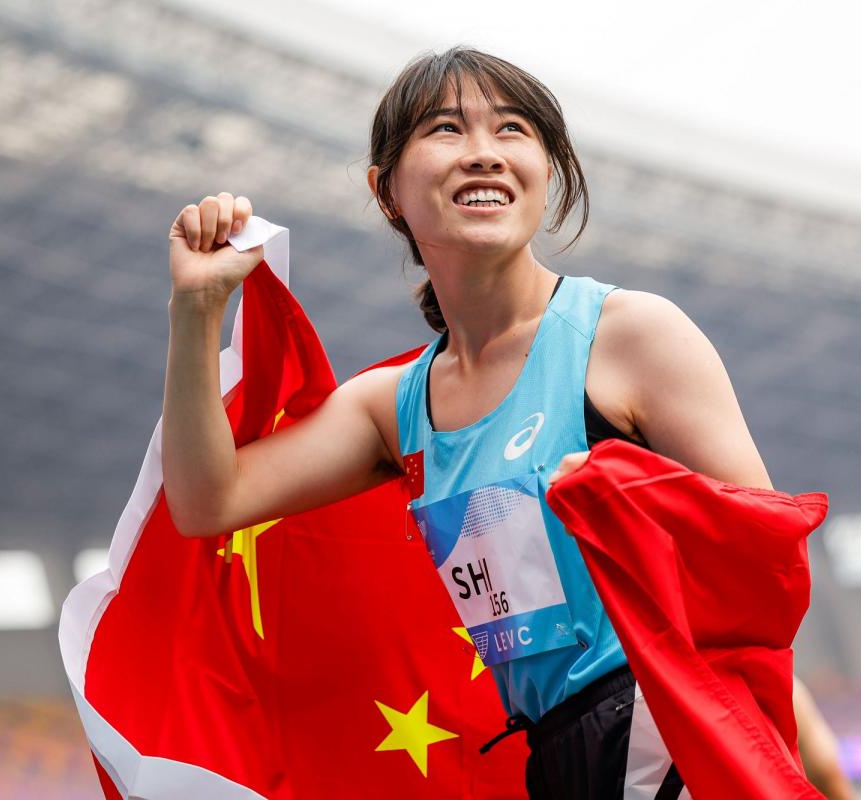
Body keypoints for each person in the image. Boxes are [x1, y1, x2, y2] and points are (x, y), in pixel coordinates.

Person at [162, 46, 775, 799]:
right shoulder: (393, 407)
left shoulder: (631, 335)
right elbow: (205, 503)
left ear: (548, 172)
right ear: (385, 190)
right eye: (447, 130)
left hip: (665, 731)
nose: (484, 154)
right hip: (551, 753)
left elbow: (765, 554)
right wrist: (196, 310)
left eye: (513, 129)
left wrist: (623, 490)